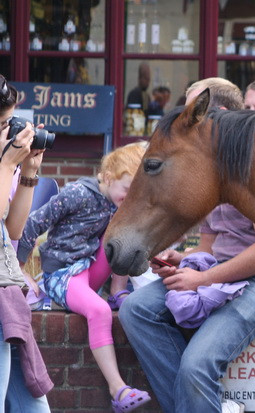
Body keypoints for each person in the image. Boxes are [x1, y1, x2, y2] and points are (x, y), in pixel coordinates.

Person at [119, 77, 255, 413]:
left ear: (214, 112)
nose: (186, 120)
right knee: (136, 309)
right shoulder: (207, 166)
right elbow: (210, 245)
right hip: (222, 273)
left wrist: (203, 279)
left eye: (193, 112)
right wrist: (182, 258)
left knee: (197, 365)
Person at [17, 142, 149, 413]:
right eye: (127, 190)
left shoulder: (116, 202)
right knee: (99, 311)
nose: (130, 196)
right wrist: (19, 270)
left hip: (90, 269)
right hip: (63, 274)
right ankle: (118, 389)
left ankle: (117, 291)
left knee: (126, 234)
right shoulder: (77, 193)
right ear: (109, 177)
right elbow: (33, 223)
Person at [0, 75, 51, 412]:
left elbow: (12, 230)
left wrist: (29, 173)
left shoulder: (6, 164)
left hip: (6, 295)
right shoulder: (4, 162)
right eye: (5, 123)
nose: (10, 131)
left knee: (34, 406)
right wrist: (5, 164)